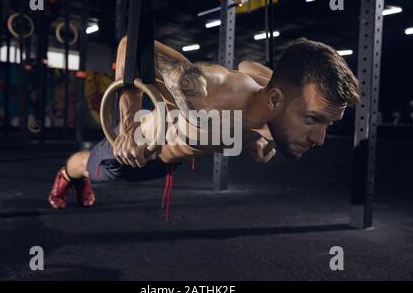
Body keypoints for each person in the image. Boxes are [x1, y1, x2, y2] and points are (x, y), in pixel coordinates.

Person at [48, 37, 360, 209]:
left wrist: (257, 139)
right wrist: (127, 126)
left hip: (182, 152)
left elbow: (248, 65)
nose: (319, 138)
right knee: (87, 164)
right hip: (140, 154)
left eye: (327, 124)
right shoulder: (205, 91)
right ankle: (67, 176)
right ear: (276, 100)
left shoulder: (268, 91)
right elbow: (131, 46)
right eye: (313, 119)